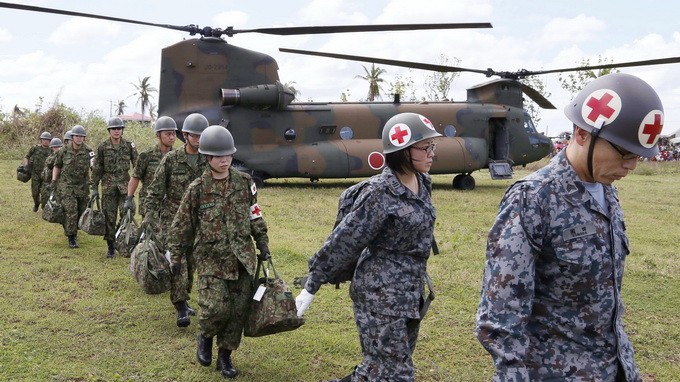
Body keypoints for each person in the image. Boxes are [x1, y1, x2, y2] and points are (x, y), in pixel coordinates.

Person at [475, 73, 664, 382]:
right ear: (582, 134)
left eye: (638, 156)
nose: (631, 165)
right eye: (624, 153)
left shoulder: (607, 191)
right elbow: (501, 314)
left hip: (613, 368)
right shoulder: (533, 199)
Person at [295, 112, 441, 382]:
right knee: (395, 374)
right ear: (402, 151)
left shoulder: (423, 182)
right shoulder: (378, 194)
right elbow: (344, 240)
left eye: (433, 146)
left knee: (380, 369)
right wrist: (311, 285)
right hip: (380, 295)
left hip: (410, 292)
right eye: (425, 147)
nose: (432, 153)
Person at [166, 125, 270, 379]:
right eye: (219, 156)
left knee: (236, 312)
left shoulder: (244, 183)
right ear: (208, 157)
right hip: (211, 259)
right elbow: (182, 225)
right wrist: (176, 256)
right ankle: (205, 335)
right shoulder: (197, 189)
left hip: (242, 257)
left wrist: (263, 243)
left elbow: (254, 214)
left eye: (228, 155)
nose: (224, 161)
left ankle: (225, 356)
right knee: (215, 308)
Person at [143, 112, 208, 327]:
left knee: (192, 262)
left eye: (202, 135)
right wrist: (149, 218)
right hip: (173, 219)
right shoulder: (171, 159)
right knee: (177, 262)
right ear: (186, 135)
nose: (198, 139)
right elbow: (154, 191)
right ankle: (180, 305)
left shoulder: (208, 159)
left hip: (199, 220)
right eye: (195, 135)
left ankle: (184, 297)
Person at [91, 117, 138, 258]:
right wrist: (94, 187)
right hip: (108, 186)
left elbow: (137, 165)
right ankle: (111, 246)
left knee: (128, 213)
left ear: (122, 130)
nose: (116, 131)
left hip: (125, 186)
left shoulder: (129, 146)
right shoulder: (102, 147)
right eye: (113, 129)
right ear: (109, 131)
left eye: (119, 128)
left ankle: (121, 239)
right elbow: (97, 168)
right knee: (109, 217)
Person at [123, 116, 176, 217]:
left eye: (173, 133)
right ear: (158, 135)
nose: (172, 137)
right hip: (150, 206)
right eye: (168, 134)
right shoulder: (146, 155)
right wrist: (129, 198)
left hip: (171, 207)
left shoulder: (178, 156)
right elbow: (135, 177)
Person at [52, 125, 93, 249]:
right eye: (77, 136)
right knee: (71, 210)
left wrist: (95, 181)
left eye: (81, 136)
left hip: (82, 186)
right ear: (72, 137)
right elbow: (57, 166)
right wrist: (54, 181)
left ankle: (73, 229)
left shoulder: (89, 151)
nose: (79, 138)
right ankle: (72, 237)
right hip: (67, 186)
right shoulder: (63, 151)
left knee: (81, 211)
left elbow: (94, 167)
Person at [23, 131, 52, 211]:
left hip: (46, 176)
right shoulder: (35, 148)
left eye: (47, 140)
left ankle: (44, 208)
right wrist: (26, 165)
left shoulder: (51, 150)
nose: (45, 141)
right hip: (35, 174)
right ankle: (36, 203)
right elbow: (27, 157)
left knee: (45, 194)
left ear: (50, 141)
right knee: (35, 193)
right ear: (41, 140)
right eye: (44, 139)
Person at [40, 137, 63, 209]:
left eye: (58, 147)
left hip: (60, 178)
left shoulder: (63, 154)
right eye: (54, 147)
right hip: (49, 179)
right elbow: (49, 163)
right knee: (47, 196)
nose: (56, 148)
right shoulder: (52, 156)